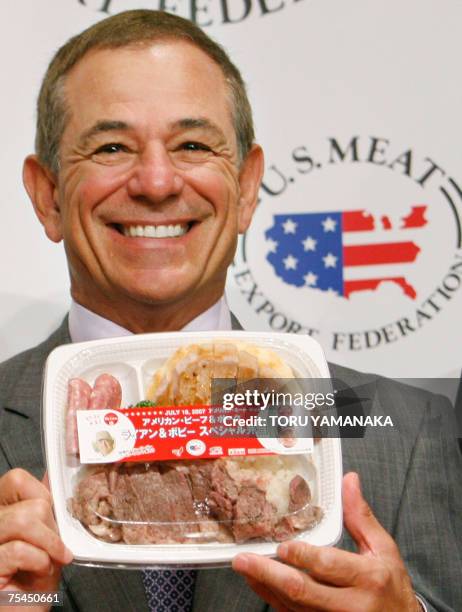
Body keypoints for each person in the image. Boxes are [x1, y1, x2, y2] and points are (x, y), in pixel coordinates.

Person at [0, 9, 460, 612]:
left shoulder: (406, 431)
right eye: (111, 146)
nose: (158, 181)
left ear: (245, 189)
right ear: (47, 196)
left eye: (193, 144)